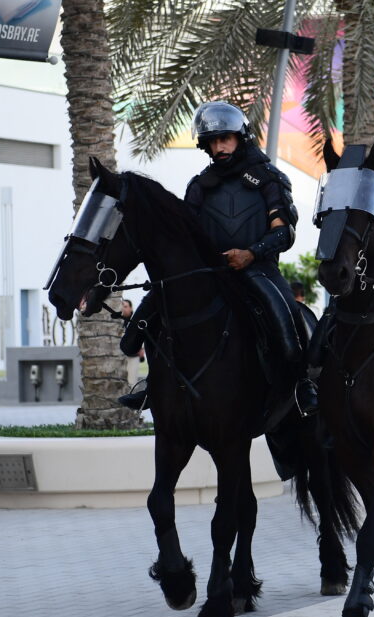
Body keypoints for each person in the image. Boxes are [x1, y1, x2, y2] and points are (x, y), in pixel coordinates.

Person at [118, 101, 308, 412]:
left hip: (258, 270)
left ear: (240, 138)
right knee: (156, 305)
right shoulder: (199, 187)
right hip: (209, 273)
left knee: (285, 317)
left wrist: (250, 254)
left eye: (225, 139)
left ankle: (303, 385)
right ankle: (154, 383)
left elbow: (284, 233)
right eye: (212, 141)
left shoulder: (270, 180)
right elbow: (184, 236)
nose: (219, 147)